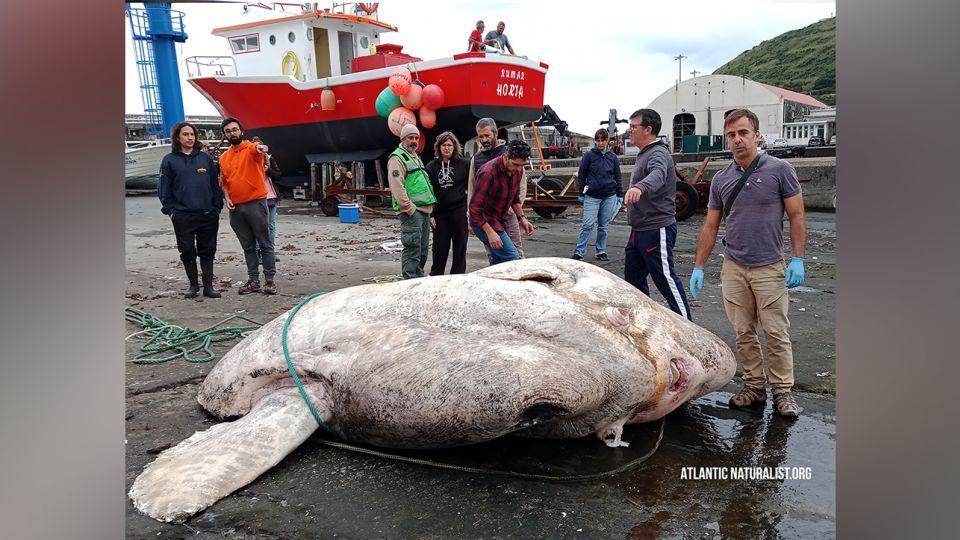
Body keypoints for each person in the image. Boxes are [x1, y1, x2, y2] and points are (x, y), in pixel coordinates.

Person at [688, 108, 807, 418]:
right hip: (735, 266)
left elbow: (796, 216)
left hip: (769, 266)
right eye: (731, 135)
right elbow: (711, 225)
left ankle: (783, 391)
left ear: (757, 135)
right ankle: (754, 386)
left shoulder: (780, 169)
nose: (737, 139)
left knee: (776, 332)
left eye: (743, 132)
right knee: (743, 332)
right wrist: (699, 265)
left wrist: (798, 259)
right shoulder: (722, 179)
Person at [623, 108, 691, 320]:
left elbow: (658, 175)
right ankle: (643, 322)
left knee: (665, 279)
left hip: (656, 228)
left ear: (648, 129)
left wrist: (639, 188)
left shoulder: (658, 153)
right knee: (633, 280)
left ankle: (689, 328)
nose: (629, 131)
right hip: (639, 229)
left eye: (634, 127)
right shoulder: (644, 153)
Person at [158, 121, 223, 299]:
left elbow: (214, 186)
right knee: (187, 251)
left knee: (208, 250)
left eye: (192, 134)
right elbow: (164, 188)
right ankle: (193, 285)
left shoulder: (205, 159)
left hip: (207, 215)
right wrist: (170, 211)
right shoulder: (169, 160)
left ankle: (208, 287)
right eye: (186, 134)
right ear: (177, 137)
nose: (190, 138)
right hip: (182, 216)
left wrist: (216, 207)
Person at [218, 117, 277, 295]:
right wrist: (227, 198)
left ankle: (269, 280)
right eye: (228, 131)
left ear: (241, 131)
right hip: (236, 207)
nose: (232, 133)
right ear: (224, 135)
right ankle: (253, 280)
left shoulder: (251, 149)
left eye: (235, 130)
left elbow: (257, 149)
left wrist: (261, 148)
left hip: (256, 203)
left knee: (265, 243)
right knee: (247, 246)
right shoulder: (224, 157)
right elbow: (225, 182)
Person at [469, 139, 535, 265]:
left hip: (500, 220)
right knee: (512, 257)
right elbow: (474, 209)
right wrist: (490, 233)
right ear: (505, 157)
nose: (519, 169)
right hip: (482, 221)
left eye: (522, 165)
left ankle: (494, 284)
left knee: (498, 262)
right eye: (515, 164)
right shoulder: (488, 173)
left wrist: (522, 218)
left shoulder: (518, 170)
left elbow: (514, 198)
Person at [467, 118, 525, 257]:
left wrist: (517, 212)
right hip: (485, 215)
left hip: (508, 213)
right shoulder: (477, 159)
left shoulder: (510, 155)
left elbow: (520, 186)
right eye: (481, 136)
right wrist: (470, 217)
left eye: (487, 135)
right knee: (494, 253)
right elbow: (472, 188)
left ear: (496, 133)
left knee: (516, 251)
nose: (484, 139)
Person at [387, 123, 436, 279]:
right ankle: (409, 279)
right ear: (403, 139)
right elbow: (397, 185)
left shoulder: (415, 157)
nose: (414, 141)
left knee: (422, 249)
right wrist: (409, 208)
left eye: (416, 138)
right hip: (412, 211)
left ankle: (418, 276)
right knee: (412, 246)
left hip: (424, 211)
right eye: (410, 138)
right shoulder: (397, 158)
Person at [573, 128, 623, 261]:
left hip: (609, 196)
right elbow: (582, 174)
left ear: (608, 141)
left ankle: (600, 251)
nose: (601, 143)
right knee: (588, 224)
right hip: (592, 195)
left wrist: (619, 194)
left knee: (603, 226)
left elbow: (617, 176)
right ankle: (579, 251)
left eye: (603, 140)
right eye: (598, 140)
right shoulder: (589, 155)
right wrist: (581, 192)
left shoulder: (612, 158)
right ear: (595, 141)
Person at [425, 131, 471, 275]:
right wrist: (430, 214)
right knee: (440, 247)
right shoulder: (431, 166)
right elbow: (428, 191)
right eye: (444, 145)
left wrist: (471, 211)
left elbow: (472, 187)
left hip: (459, 210)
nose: (447, 148)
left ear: (454, 147)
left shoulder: (465, 164)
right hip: (440, 213)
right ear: (439, 147)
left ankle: (458, 275)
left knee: (460, 246)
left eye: (449, 145)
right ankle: (436, 275)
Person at [255, 149, 282, 261]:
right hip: (257, 198)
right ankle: (259, 252)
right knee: (259, 226)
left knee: (270, 225)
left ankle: (270, 252)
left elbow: (278, 176)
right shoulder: (250, 161)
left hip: (271, 197)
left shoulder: (269, 159)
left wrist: (267, 170)